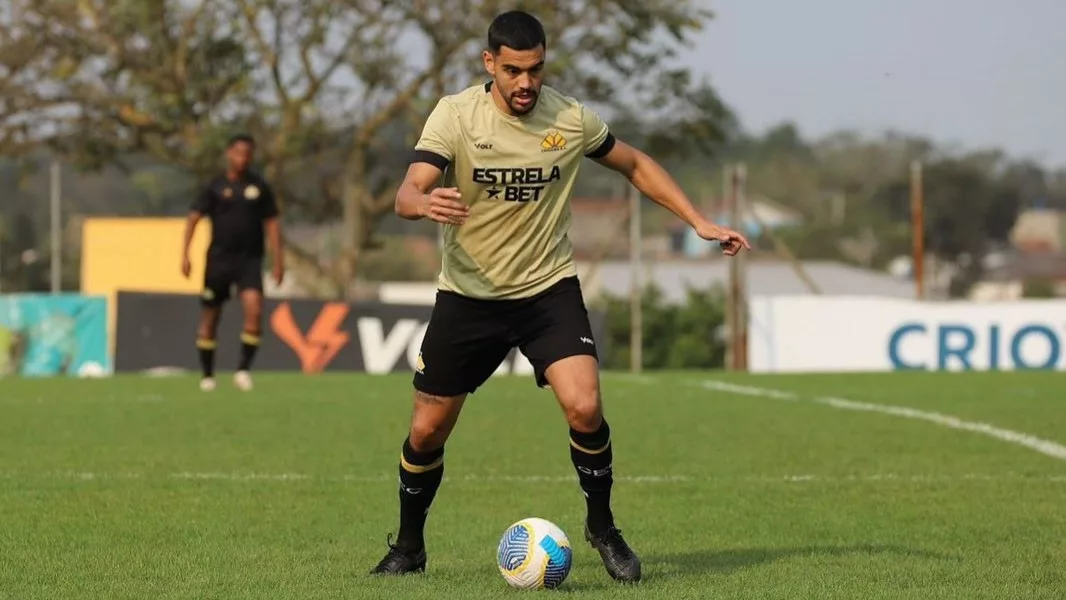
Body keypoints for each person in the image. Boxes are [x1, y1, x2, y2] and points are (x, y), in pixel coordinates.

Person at [370, 11, 749, 583]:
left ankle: (603, 529)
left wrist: (698, 220)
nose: (526, 83)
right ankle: (409, 546)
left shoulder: (569, 118)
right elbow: (407, 190)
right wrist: (422, 204)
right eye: (515, 70)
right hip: (470, 296)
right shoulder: (455, 115)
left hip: (548, 290)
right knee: (427, 431)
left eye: (537, 69)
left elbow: (636, 164)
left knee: (585, 405)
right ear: (489, 63)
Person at [181, 134, 284, 392]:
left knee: (255, 308)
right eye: (238, 153)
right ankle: (207, 375)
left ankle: (242, 371)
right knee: (210, 317)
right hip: (218, 261)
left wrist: (278, 260)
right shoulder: (215, 186)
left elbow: (272, 223)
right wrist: (185, 254)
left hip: (249, 260)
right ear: (229, 153)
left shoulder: (259, 187)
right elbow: (193, 218)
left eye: (247, 154)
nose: (242, 158)